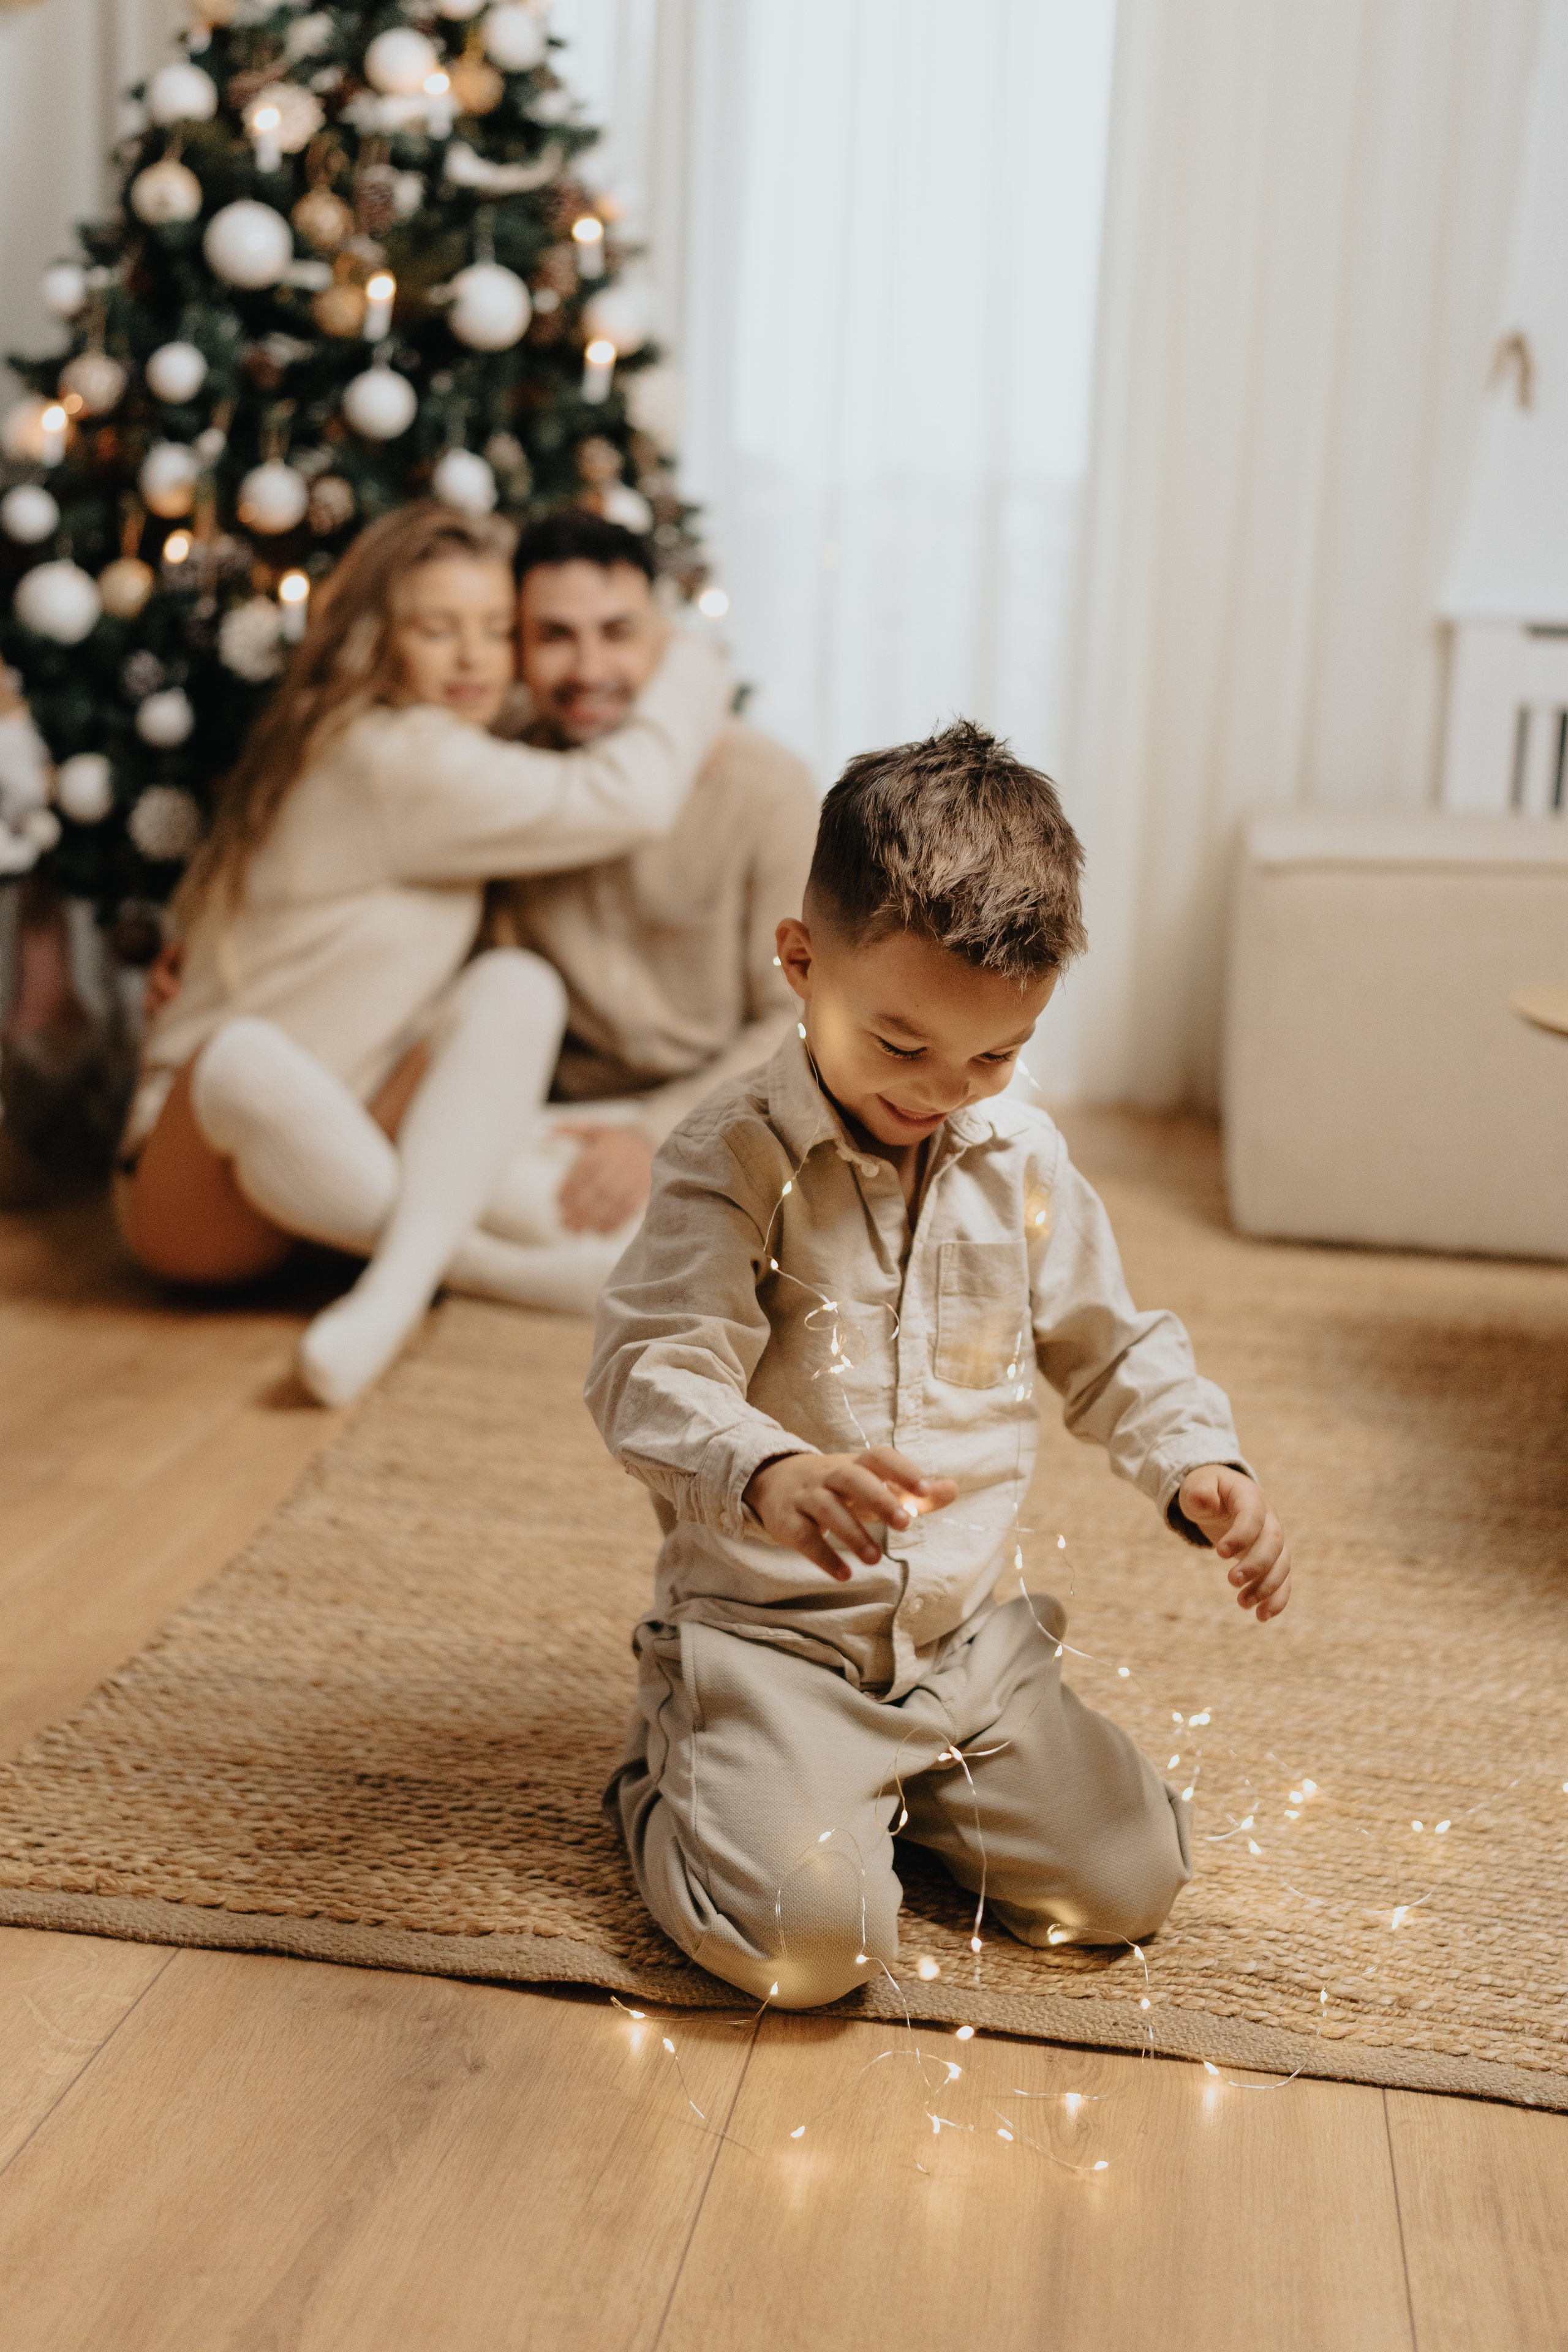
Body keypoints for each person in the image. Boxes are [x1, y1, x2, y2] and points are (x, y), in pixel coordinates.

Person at [586, 721, 1292, 2010]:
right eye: (899, 1043)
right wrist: (769, 1470)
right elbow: (643, 1370)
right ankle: (674, 1766)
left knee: (1125, 1888)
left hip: (961, 1645)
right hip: (773, 1640)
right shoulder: (731, 1155)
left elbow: (1109, 1343)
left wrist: (1199, 1465)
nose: (941, 1089)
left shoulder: (1016, 1153)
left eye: (992, 1054)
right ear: (801, 961)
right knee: (811, 1954)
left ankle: (884, 1794)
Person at [116, 500, 729, 1406]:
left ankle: (413, 1268)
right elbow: (628, 796)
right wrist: (692, 656)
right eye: (438, 629)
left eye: (495, 630)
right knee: (241, 1058)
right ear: (379, 640)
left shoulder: (443, 741)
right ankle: (436, 1282)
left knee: (516, 985)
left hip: (345, 1133)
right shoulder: (392, 758)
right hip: (196, 1178)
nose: (475, 658)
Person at [474, 513, 818, 1311]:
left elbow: (798, 1022)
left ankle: (496, 1265)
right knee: (449, 1161)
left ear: (663, 641)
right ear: (519, 648)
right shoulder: (496, 772)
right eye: (555, 636)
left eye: (617, 633)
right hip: (563, 1123)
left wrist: (657, 1134)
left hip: (725, 1106)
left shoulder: (768, 787)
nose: (590, 667)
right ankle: (626, 1274)